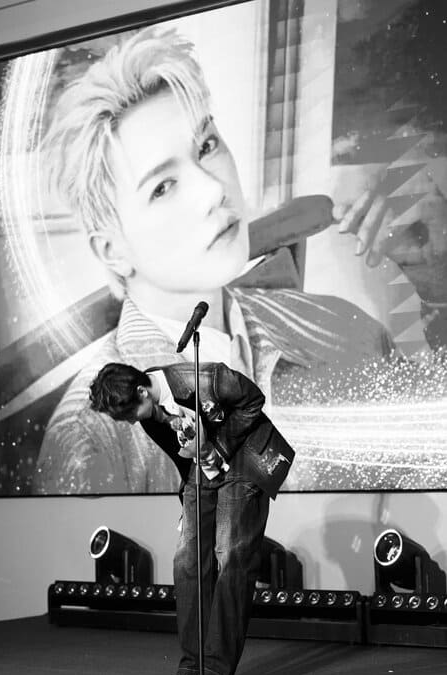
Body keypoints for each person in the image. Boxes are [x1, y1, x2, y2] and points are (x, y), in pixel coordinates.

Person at [33, 25, 447, 496]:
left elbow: (430, 460)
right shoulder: (91, 441)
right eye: (162, 187)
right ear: (113, 250)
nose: (213, 190)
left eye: (207, 146)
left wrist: (437, 280)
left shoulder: (345, 330)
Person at [88, 359, 295, 675]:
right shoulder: (149, 414)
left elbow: (253, 400)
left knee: (231, 559)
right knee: (187, 561)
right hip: (201, 474)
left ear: (142, 391)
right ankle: (190, 672)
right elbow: (181, 457)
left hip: (242, 462)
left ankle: (213, 674)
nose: (130, 421)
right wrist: (188, 502)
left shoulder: (205, 377)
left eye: (129, 413)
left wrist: (217, 447)